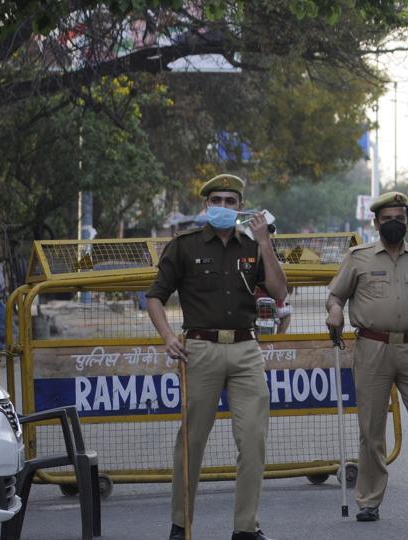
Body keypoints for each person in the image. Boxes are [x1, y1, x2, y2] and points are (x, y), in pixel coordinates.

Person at [146, 174, 287, 540]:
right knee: (191, 440)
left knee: (254, 439)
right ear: (206, 206)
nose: (223, 207)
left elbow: (279, 291)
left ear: (241, 207)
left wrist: (265, 243)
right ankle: (181, 523)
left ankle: (245, 527)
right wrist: (166, 337)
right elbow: (155, 296)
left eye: (230, 201)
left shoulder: (253, 245)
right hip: (201, 349)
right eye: (217, 200)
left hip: (245, 349)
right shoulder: (184, 246)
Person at [325, 191, 408, 522]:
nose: (394, 224)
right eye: (387, 219)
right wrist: (335, 313)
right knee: (371, 430)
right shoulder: (359, 258)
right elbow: (336, 296)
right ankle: (369, 500)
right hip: (372, 349)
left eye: (399, 218)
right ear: (375, 223)